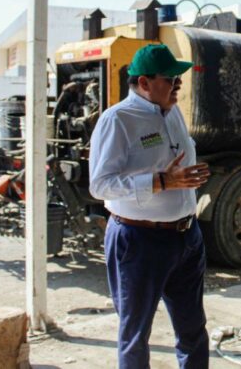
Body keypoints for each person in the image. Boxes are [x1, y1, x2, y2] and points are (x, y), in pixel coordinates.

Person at [89, 44, 211, 368]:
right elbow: (100, 185)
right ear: (144, 83)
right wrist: (161, 182)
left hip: (186, 237)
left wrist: (188, 178)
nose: (178, 85)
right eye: (171, 78)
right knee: (135, 335)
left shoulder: (174, 114)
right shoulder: (117, 120)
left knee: (193, 330)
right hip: (139, 242)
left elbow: (175, 164)